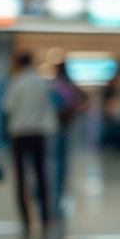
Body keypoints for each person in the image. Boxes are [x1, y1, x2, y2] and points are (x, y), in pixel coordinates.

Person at [3, 52, 58, 230]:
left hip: (19, 133)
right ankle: (45, 217)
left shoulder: (16, 81)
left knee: (21, 178)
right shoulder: (43, 82)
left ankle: (26, 219)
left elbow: (8, 107)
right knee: (42, 175)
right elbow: (50, 106)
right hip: (39, 132)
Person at [48, 60, 88, 216]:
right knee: (60, 167)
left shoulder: (56, 86)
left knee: (55, 166)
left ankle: (55, 199)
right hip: (62, 129)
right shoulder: (67, 86)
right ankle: (57, 198)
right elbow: (80, 103)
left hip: (56, 129)